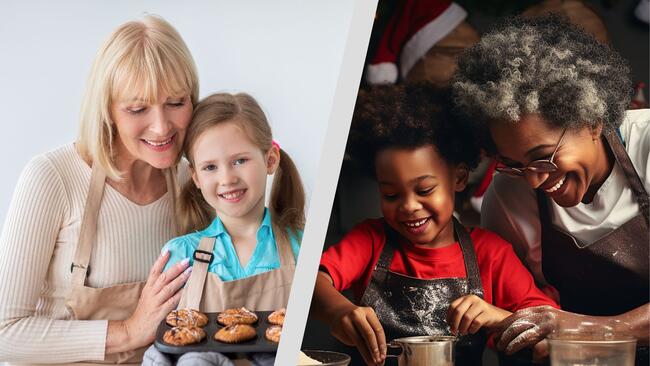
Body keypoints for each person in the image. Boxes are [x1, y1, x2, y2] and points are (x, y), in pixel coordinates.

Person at [311, 84, 558, 366]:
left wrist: (498, 316)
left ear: (460, 179)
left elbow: (548, 329)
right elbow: (313, 283)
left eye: (425, 190)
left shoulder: (490, 253)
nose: (408, 206)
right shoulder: (371, 240)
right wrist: (339, 311)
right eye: (390, 194)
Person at [0, 16, 199, 364]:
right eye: (138, 108)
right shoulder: (52, 178)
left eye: (176, 102)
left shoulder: (192, 181)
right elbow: (5, 333)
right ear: (107, 110)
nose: (162, 126)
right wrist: (128, 331)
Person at [453, 15, 649, 364]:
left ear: (592, 120)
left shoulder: (646, 143)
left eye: (543, 157)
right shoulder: (507, 197)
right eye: (513, 163)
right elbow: (520, 313)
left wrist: (596, 330)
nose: (532, 180)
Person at [141, 92, 305, 365]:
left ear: (270, 159)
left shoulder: (301, 246)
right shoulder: (180, 255)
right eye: (210, 167)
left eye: (240, 160)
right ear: (195, 177)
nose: (227, 178)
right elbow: (161, 340)